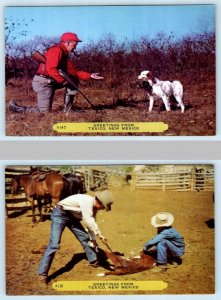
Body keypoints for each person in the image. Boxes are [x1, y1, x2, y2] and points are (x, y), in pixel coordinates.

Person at [9, 32, 104, 113]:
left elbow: (73, 72)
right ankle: (16, 108)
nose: (75, 48)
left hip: (52, 81)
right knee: (44, 112)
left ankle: (67, 110)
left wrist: (89, 75)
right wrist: (62, 81)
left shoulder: (64, 53)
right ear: (67, 43)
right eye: (74, 45)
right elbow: (51, 68)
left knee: (73, 79)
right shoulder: (57, 50)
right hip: (44, 82)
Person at [37, 189, 114, 284]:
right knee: (54, 244)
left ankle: (93, 260)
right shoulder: (87, 201)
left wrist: (93, 239)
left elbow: (91, 224)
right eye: (103, 207)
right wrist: (99, 234)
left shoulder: (93, 208)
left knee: (85, 238)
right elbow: (88, 219)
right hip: (60, 214)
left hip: (72, 217)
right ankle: (42, 273)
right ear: (99, 202)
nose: (102, 209)